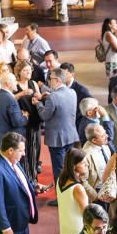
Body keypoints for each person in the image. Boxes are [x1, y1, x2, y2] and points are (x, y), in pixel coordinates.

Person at [36, 69, 79, 204]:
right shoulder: (72, 92)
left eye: (52, 79)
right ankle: (71, 193)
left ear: (58, 80)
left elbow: (44, 115)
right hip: (70, 135)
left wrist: (37, 103)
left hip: (57, 139)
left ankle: (61, 198)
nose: (49, 81)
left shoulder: (54, 97)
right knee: (70, 167)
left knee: (59, 169)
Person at [14, 60, 43, 186]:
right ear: (19, 72)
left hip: (35, 121)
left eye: (30, 70)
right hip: (24, 123)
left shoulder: (33, 83)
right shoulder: (15, 85)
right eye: (25, 70)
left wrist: (39, 96)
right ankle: (29, 180)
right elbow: (11, 99)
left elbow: (39, 97)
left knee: (36, 150)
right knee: (26, 152)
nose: (28, 73)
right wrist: (22, 94)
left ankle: (34, 178)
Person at [56, 148, 91, 234]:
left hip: (65, 228)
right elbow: (86, 214)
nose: (87, 165)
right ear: (75, 166)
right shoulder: (77, 188)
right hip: (77, 231)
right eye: (83, 163)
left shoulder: (60, 180)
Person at [81, 123, 117, 204]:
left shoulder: (105, 146)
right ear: (94, 140)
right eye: (103, 136)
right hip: (97, 194)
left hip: (108, 189)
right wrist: (96, 197)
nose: (107, 136)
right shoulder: (86, 155)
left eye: (105, 133)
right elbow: (83, 180)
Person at [0, 72, 27, 149]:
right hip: (13, 141)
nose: (16, 82)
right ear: (8, 84)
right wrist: (25, 117)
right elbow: (17, 122)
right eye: (14, 80)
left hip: (1, 138)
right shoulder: (10, 99)